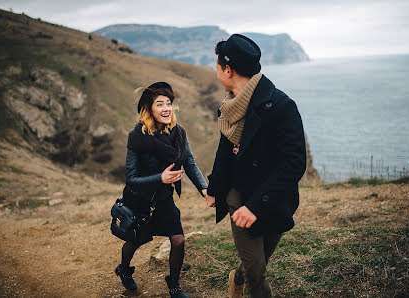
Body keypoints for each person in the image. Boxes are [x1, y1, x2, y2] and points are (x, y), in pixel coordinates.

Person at [204, 34, 307, 298]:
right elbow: (225, 151)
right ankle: (248, 281)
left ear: (228, 70)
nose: (215, 71)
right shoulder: (231, 106)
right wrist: (215, 187)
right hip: (239, 195)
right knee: (258, 275)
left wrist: (256, 205)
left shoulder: (282, 107)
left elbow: (294, 164)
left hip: (271, 199)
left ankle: (237, 277)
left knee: (257, 263)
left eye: (216, 66)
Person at [115, 82, 208, 298]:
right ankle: (124, 270)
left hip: (165, 200)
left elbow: (190, 163)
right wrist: (161, 177)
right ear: (149, 109)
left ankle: (173, 284)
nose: (166, 108)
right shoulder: (137, 136)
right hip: (140, 201)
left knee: (178, 240)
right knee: (135, 241)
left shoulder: (179, 134)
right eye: (160, 104)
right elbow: (131, 179)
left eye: (169, 103)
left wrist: (203, 188)